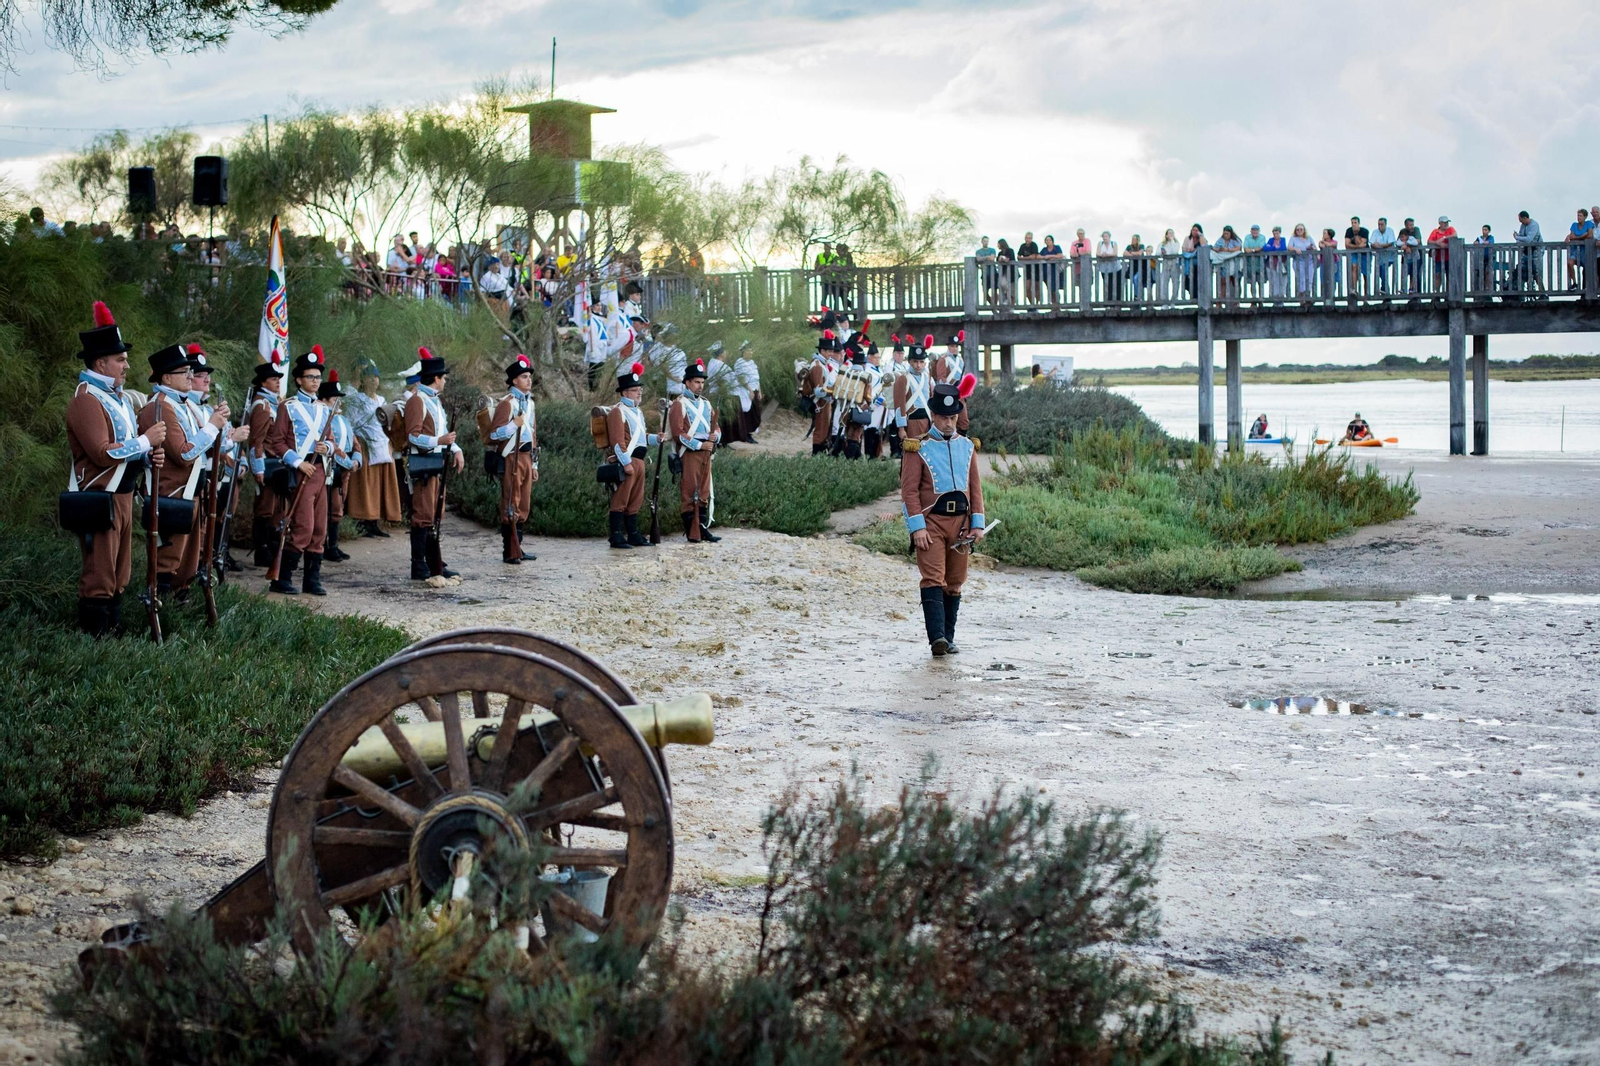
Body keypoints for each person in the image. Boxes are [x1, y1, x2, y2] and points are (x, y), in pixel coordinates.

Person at [65, 301, 166, 636]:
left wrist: (147, 455)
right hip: (99, 495)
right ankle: (96, 636)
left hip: (121, 495)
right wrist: (145, 442)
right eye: (120, 359)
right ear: (100, 362)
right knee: (100, 573)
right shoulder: (86, 399)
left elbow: (127, 450)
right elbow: (101, 453)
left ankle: (113, 629)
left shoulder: (117, 399)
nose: (127, 364)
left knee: (120, 572)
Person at [900, 374, 986, 658]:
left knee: (955, 582)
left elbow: (975, 488)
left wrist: (977, 524)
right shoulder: (917, 446)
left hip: (961, 525)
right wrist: (917, 528)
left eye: (953, 417)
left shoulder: (967, 446)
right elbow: (909, 492)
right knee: (933, 578)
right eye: (943, 417)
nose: (949, 423)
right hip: (932, 523)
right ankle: (936, 639)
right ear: (933, 415)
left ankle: (948, 638)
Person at [138, 341, 225, 605]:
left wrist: (215, 426)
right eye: (184, 372)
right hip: (172, 493)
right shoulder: (161, 406)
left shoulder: (182, 404)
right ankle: (160, 610)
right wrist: (212, 427)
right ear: (166, 378)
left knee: (187, 560)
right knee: (169, 559)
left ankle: (178, 606)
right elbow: (185, 454)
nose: (191, 376)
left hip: (189, 492)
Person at [266, 345, 334, 596]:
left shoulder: (324, 409)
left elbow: (331, 439)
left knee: (319, 530)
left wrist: (326, 446)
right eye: (310, 377)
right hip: (300, 473)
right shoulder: (289, 406)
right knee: (303, 527)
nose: (315, 381)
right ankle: (282, 578)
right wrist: (297, 462)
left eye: (318, 377)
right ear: (298, 379)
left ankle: (311, 580)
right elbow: (277, 442)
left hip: (320, 472)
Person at [187, 346, 249, 577]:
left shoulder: (205, 408)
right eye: (200, 375)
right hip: (199, 478)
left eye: (207, 376)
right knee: (198, 535)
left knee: (209, 528)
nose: (207, 380)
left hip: (215, 478)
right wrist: (233, 438)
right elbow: (205, 443)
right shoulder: (189, 408)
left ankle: (208, 569)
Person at [404, 348, 465, 579]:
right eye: (444, 377)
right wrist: (439, 441)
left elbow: (442, 433)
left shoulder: (433, 401)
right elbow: (412, 436)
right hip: (424, 465)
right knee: (423, 515)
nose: (445, 381)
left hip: (436, 462)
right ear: (436, 378)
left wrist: (456, 449)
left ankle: (433, 560)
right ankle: (419, 565)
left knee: (435, 513)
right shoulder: (417, 401)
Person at [487, 353, 539, 565]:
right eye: (524, 376)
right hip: (511, 456)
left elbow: (534, 434)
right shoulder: (506, 404)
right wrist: (513, 425)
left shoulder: (531, 404)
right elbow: (493, 434)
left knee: (523, 503)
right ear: (514, 380)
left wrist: (534, 464)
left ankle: (518, 546)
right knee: (511, 502)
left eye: (529, 376)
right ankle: (509, 550)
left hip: (526, 457)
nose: (529, 379)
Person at [343, 359, 403, 536]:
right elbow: (350, 424)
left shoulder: (382, 400)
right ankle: (362, 520)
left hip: (382, 446)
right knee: (366, 484)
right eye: (370, 378)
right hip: (365, 445)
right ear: (363, 381)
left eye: (376, 378)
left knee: (379, 485)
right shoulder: (356, 401)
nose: (374, 381)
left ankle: (375, 521)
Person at [604, 361, 660, 549]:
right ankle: (617, 536)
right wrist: (626, 463)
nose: (639, 393)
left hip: (639, 461)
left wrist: (655, 439)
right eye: (635, 390)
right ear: (625, 392)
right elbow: (617, 442)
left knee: (636, 499)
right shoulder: (617, 411)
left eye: (639, 390)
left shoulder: (637, 412)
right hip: (626, 462)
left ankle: (633, 534)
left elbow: (640, 438)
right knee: (620, 500)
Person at [670, 358, 722, 543]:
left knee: (703, 492)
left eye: (702, 382)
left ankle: (701, 528)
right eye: (697, 382)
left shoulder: (706, 404)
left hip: (706, 451)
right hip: (690, 453)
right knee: (689, 492)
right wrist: (700, 445)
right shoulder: (679, 404)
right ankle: (692, 531)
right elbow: (678, 434)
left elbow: (715, 427)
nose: (700, 386)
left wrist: (716, 436)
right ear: (687, 382)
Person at [247, 357, 286, 566]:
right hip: (268, 464)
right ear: (263, 383)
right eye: (273, 379)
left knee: (278, 509)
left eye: (278, 378)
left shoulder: (275, 403)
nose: (278, 381)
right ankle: (262, 550)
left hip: (279, 465)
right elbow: (256, 441)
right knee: (265, 509)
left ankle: (272, 548)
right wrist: (258, 468)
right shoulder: (262, 406)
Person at [319, 371, 360, 564]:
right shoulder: (324, 419)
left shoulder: (343, 420)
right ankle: (326, 546)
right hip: (331, 468)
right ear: (325, 400)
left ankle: (333, 545)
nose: (339, 403)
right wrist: (348, 463)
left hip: (345, 470)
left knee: (338, 508)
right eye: (335, 399)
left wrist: (356, 460)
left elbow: (355, 443)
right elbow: (332, 448)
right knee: (330, 507)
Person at [802, 330, 838, 455]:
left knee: (824, 428)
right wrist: (833, 391)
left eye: (832, 351)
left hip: (824, 402)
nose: (831, 354)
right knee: (821, 430)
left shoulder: (822, 364)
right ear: (822, 351)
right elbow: (818, 390)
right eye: (829, 351)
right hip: (820, 403)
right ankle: (817, 453)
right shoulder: (818, 366)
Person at [894, 335, 934, 441]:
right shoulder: (903, 379)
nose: (918, 365)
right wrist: (901, 428)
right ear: (909, 362)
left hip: (927, 421)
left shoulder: (927, 377)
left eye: (921, 362)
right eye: (915, 361)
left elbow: (931, 399)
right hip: (911, 423)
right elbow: (899, 405)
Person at [733, 340, 762, 443]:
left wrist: (759, 391)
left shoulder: (752, 363)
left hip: (755, 390)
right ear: (744, 351)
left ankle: (750, 432)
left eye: (752, 350)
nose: (751, 352)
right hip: (745, 391)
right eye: (749, 350)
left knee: (756, 412)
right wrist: (750, 390)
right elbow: (741, 378)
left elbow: (756, 377)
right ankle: (746, 434)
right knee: (747, 412)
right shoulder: (739, 363)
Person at [1512, 210, 1542, 295]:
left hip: (1536, 250)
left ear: (1525, 218)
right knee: (1520, 269)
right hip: (1526, 251)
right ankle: (1520, 293)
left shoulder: (1534, 225)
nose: (1521, 223)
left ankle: (1543, 293)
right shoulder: (1523, 226)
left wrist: (1517, 237)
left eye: (1521, 220)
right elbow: (1521, 236)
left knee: (1536, 272)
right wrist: (1518, 238)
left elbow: (1529, 239)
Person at [1565, 208, 1593, 291]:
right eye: (1578, 215)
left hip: (1585, 250)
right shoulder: (1574, 225)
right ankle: (1574, 283)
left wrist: (1576, 238)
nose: (1578, 217)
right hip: (1576, 249)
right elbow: (1572, 236)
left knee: (1587, 269)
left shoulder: (1588, 224)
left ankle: (1587, 287)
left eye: (1580, 216)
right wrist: (1583, 236)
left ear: (1585, 217)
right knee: (1570, 263)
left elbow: (1590, 236)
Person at [1428, 215, 1458, 292]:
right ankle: (1436, 293)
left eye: (1447, 222)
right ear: (1440, 223)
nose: (1446, 224)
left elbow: (1455, 235)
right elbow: (1429, 241)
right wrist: (1437, 243)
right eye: (1444, 222)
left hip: (1450, 258)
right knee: (1438, 275)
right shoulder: (1435, 231)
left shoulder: (1450, 229)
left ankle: (1449, 294)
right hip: (1438, 258)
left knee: (1450, 276)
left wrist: (1444, 238)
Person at [1287, 223, 1317, 300]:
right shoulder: (1293, 238)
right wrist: (1295, 249)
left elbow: (1314, 247)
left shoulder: (1309, 238)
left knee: (1310, 278)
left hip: (1309, 261)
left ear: (1304, 230)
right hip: (1298, 261)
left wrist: (1311, 248)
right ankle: (1302, 298)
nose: (1299, 231)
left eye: (1301, 229)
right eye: (1298, 229)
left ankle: (1308, 296)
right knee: (1301, 279)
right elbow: (1289, 247)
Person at [1344, 216, 1370, 298]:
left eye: (1355, 223)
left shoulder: (1364, 231)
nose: (1353, 225)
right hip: (1354, 253)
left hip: (1365, 254)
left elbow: (1362, 244)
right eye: (1352, 223)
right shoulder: (1348, 231)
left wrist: (1356, 236)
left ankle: (1366, 295)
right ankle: (1354, 289)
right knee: (1354, 267)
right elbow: (1346, 245)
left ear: (1359, 223)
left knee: (1365, 274)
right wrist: (1357, 246)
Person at [1398, 218, 1423, 294]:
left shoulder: (1416, 230)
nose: (1412, 226)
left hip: (1417, 256)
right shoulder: (1403, 231)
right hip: (1406, 258)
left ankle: (1416, 291)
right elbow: (1398, 242)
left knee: (1415, 274)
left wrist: (1407, 245)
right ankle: (1404, 289)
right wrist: (1404, 245)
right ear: (1405, 225)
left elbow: (1417, 241)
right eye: (1410, 225)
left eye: (1412, 224)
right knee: (1405, 273)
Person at [1241, 225, 1267, 299]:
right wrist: (1254, 250)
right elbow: (1245, 249)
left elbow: (1261, 247)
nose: (1255, 231)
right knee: (1252, 283)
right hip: (1250, 265)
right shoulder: (1247, 237)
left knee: (1260, 282)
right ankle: (1254, 299)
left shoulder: (1262, 237)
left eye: (1256, 230)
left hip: (1260, 264)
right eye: (1253, 230)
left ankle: (1261, 299)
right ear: (1251, 231)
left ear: (1259, 231)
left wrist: (1251, 250)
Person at [1263, 226, 1289, 300]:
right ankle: (1274, 296)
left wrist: (1272, 248)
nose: (1275, 235)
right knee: (1272, 280)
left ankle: (1280, 296)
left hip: (1280, 264)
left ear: (1279, 233)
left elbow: (1282, 248)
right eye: (1274, 233)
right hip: (1270, 264)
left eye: (1277, 233)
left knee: (1281, 280)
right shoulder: (1271, 240)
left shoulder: (1283, 239)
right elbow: (1265, 248)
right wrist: (1275, 248)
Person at [1158, 228, 1182, 303]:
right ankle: (1164, 302)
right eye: (1169, 233)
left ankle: (1173, 301)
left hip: (1174, 263)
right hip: (1166, 263)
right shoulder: (1162, 244)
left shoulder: (1176, 243)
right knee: (1164, 282)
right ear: (1166, 235)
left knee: (1175, 282)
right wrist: (1162, 252)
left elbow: (1174, 251)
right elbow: (1157, 252)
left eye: (1172, 233)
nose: (1170, 234)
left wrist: (1171, 241)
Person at [1096, 230, 1120, 302]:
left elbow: (1115, 253)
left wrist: (1108, 255)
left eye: (1106, 236)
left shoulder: (1113, 243)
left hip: (1115, 267)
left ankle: (1117, 300)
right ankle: (1108, 301)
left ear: (1109, 237)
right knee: (1107, 284)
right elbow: (1097, 253)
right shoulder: (1100, 244)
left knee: (1116, 283)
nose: (1104, 238)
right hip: (1104, 267)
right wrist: (1102, 255)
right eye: (1103, 236)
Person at [1016, 231, 1040, 303]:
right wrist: (1026, 258)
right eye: (1027, 238)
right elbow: (1018, 256)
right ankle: (1031, 303)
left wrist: (1024, 258)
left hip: (1036, 268)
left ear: (1031, 239)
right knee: (1027, 288)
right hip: (1027, 269)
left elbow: (1033, 256)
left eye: (1029, 238)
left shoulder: (1034, 245)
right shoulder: (1022, 246)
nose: (1028, 239)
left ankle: (1037, 303)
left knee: (1036, 287)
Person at [975, 236, 998, 304]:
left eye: (987, 241)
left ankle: (995, 305)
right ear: (982, 242)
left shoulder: (992, 250)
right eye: (984, 241)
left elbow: (992, 258)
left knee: (995, 290)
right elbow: (978, 259)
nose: (986, 243)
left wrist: (984, 258)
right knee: (985, 291)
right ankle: (993, 304)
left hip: (993, 273)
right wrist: (987, 257)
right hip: (984, 274)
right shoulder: (978, 251)